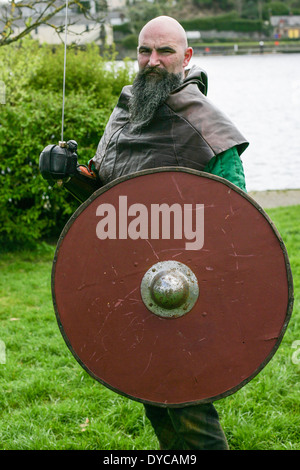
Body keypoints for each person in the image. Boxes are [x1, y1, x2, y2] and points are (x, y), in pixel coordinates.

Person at [40, 16, 249, 450]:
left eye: (165, 52)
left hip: (185, 285)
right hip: (131, 276)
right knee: (154, 392)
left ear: (186, 57)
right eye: (144, 51)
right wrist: (68, 175)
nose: (152, 61)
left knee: (186, 402)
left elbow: (237, 220)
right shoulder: (127, 111)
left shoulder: (208, 127)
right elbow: (107, 197)